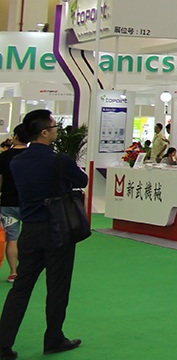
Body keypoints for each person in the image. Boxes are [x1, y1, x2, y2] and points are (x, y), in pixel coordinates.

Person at [0, 110, 88, 358]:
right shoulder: (59, 160)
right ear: (44, 132)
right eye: (54, 127)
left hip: (30, 230)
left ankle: (3, 343)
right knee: (58, 287)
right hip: (58, 229)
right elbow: (82, 180)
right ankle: (54, 338)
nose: (56, 130)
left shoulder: (17, 162)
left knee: (21, 287)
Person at [0, 126, 29, 283]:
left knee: (12, 238)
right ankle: (28, 269)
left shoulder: (4, 157)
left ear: (15, 136)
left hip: (8, 203)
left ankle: (13, 272)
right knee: (30, 236)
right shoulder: (32, 156)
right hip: (30, 204)